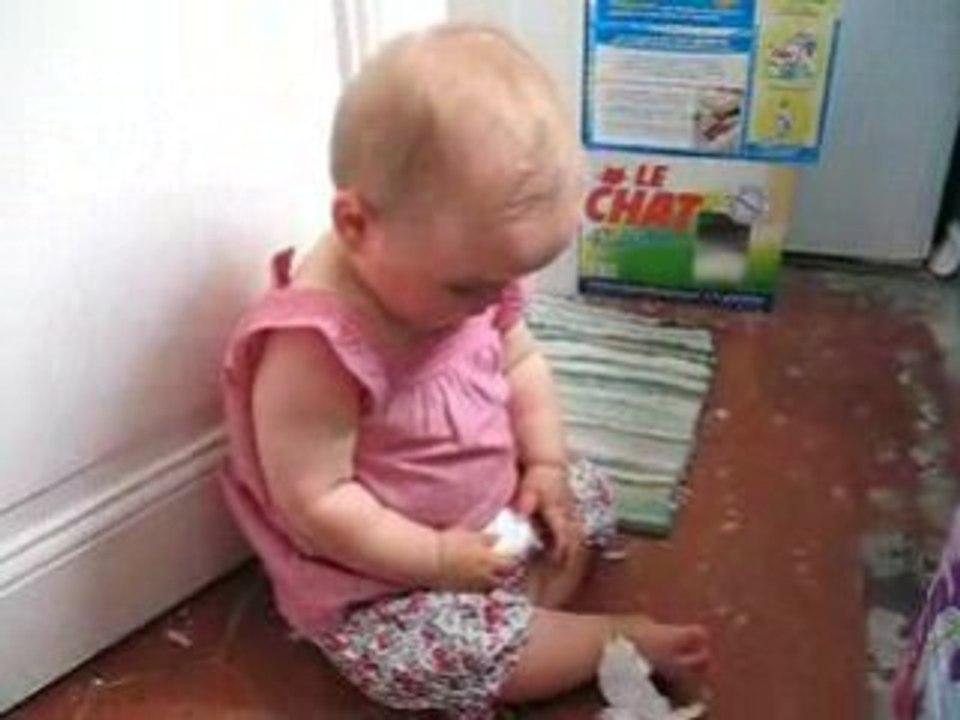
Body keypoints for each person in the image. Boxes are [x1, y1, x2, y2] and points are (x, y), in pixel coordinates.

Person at [219, 23, 710, 718]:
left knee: (582, 492)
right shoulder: (314, 349)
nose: (492, 303)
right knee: (419, 662)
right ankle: (602, 640)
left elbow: (523, 362)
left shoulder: (464, 273)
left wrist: (544, 468)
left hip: (494, 522)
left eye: (507, 280)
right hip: (389, 579)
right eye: (470, 287)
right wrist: (438, 560)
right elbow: (320, 504)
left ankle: (523, 609)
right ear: (356, 224)